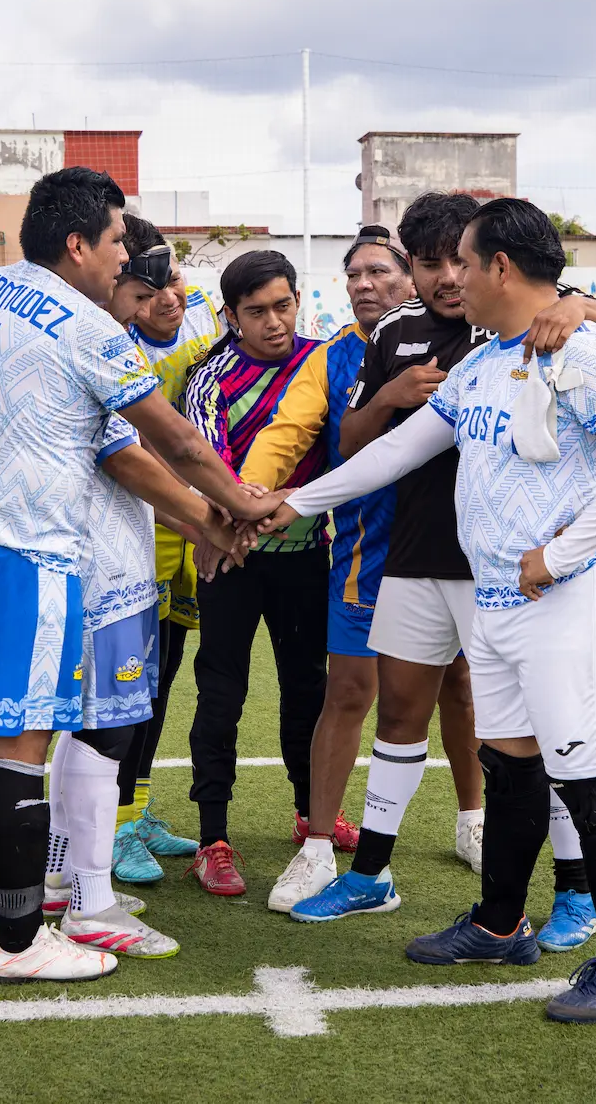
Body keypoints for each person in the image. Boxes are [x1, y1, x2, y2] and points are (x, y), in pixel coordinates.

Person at [259, 197, 596, 1022]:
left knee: (585, 777)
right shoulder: (487, 361)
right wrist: (295, 502)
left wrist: (556, 556)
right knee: (512, 767)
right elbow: (398, 449)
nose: (450, 277)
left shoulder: (577, 351)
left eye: (465, 261)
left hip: (565, 597)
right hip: (502, 601)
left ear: (503, 270)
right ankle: (498, 922)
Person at [0, 167, 272, 983]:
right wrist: (238, 507)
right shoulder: (89, 328)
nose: (124, 259)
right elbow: (174, 443)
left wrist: (201, 517)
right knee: (20, 745)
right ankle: (17, 940)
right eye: (115, 241)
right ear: (77, 244)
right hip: (28, 549)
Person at [239, 225, 479, 914]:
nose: (366, 285)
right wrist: (247, 502)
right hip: (367, 550)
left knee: (460, 686)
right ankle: (318, 849)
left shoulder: (484, 332)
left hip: (458, 546)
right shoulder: (338, 354)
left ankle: (474, 822)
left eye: (381, 271)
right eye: (354, 275)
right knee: (350, 691)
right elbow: (298, 433)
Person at [41, 222, 206, 960]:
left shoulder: (50, 323)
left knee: (83, 727)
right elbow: (143, 457)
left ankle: (59, 878)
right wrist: (218, 515)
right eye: (136, 289)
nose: (143, 303)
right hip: (100, 566)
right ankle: (90, 901)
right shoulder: (95, 340)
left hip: (81, 557)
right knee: (104, 731)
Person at [179, 249, 330, 897]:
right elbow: (210, 471)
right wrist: (241, 519)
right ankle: (213, 837)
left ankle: (311, 816)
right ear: (230, 316)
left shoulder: (326, 361)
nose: (273, 322)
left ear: (299, 300)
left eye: (283, 306)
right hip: (232, 562)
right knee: (222, 696)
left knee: (309, 692)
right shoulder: (210, 379)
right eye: (256, 312)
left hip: (306, 560)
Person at [109, 219, 220, 883]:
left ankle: (139, 809)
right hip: (139, 529)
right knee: (129, 683)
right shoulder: (111, 344)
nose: (168, 299)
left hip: (190, 530)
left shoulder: (206, 314)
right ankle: (114, 825)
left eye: (172, 279)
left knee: (166, 674)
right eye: (147, 292)